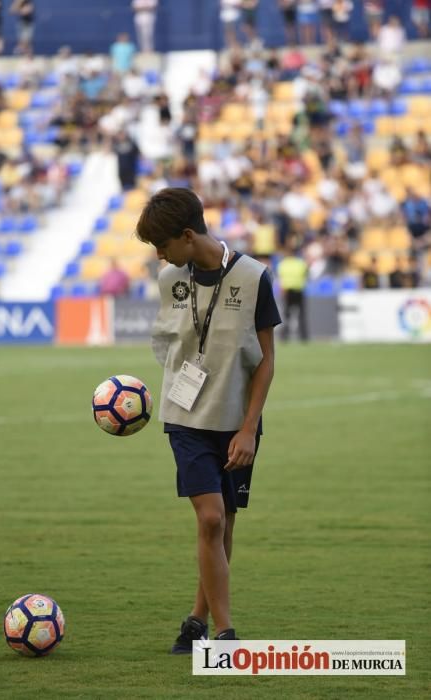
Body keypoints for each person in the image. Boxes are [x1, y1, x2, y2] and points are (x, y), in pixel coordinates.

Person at [135, 188, 280, 650]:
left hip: (237, 422)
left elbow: (265, 361)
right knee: (212, 518)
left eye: (163, 245)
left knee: (222, 525)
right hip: (185, 417)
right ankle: (225, 635)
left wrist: (247, 429)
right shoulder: (168, 279)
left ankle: (196, 621)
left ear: (187, 235)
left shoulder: (255, 277)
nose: (159, 255)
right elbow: (166, 344)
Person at [278, 239, 309, 341]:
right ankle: (303, 337)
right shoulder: (301, 263)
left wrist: (282, 291)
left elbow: (281, 279)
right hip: (299, 290)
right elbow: (305, 275)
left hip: (288, 291)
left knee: (287, 316)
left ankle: (284, 337)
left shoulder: (283, 264)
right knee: (301, 316)